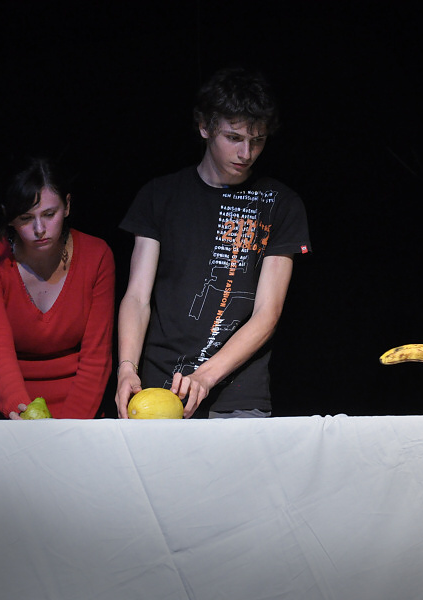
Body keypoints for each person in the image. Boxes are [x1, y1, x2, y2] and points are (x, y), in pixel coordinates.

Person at [116, 67, 311, 419]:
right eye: (234, 137)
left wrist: (205, 377)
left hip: (237, 395)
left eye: (258, 140)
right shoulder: (160, 196)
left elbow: (267, 313)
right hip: (157, 388)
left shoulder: (281, 203)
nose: (246, 153)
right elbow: (137, 296)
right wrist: (127, 367)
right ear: (204, 126)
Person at [0, 157, 115, 420]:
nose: (39, 229)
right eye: (25, 218)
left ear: (67, 206)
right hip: (2, 405)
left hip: (79, 406)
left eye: (49, 214)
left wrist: (66, 429)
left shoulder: (96, 255)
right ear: (8, 217)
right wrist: (23, 412)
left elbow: (96, 358)